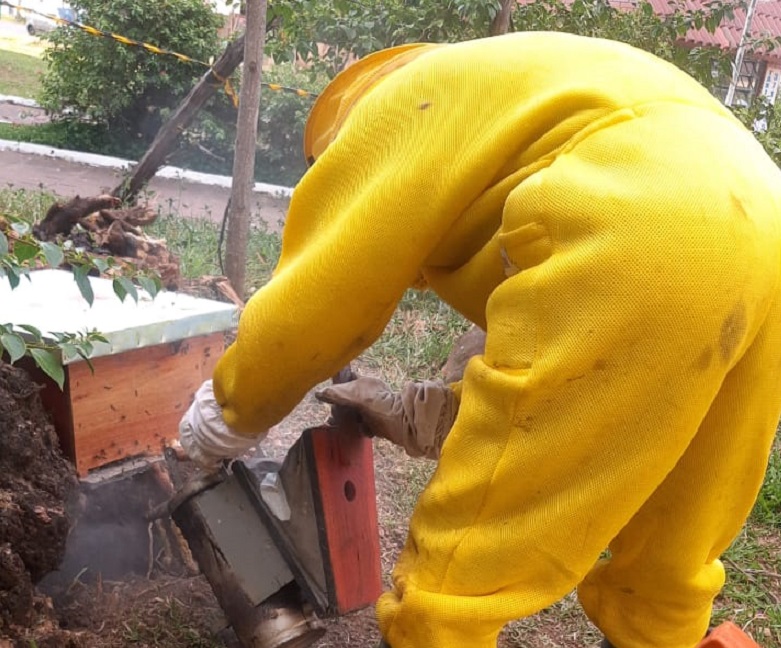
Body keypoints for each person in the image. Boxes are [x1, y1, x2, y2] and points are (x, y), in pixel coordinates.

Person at [178, 32, 781, 648]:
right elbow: (561, 379)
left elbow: (320, 301)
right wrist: (412, 411)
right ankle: (655, 631)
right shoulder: (517, 100)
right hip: (765, 224)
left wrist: (227, 414)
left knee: (462, 570)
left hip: (645, 222)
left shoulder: (395, 112)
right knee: (679, 534)